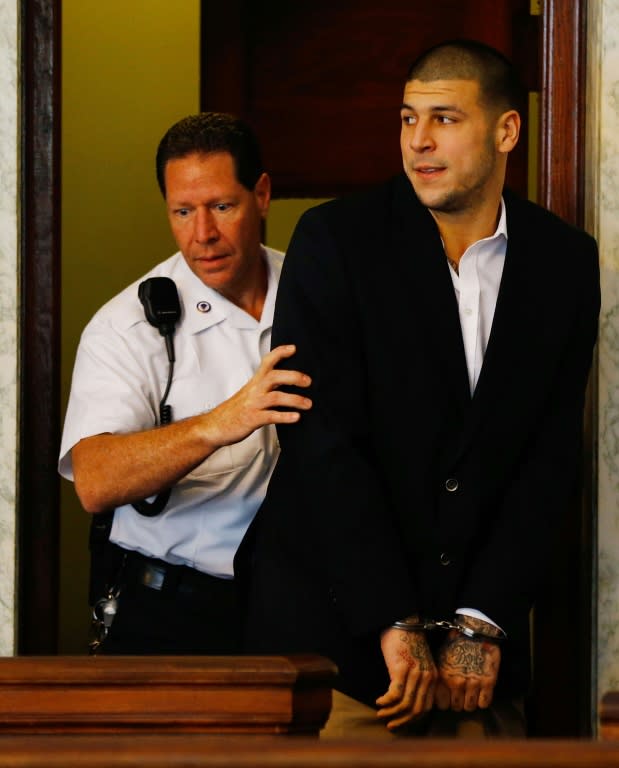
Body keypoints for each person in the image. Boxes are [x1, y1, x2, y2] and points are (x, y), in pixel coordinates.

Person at [237, 39, 600, 738]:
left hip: (477, 662)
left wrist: (482, 622)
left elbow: (547, 456)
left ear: (505, 131)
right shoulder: (334, 239)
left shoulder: (563, 261)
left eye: (444, 118)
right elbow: (321, 441)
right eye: (406, 119)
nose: (418, 143)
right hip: (334, 649)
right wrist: (389, 618)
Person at [58, 112, 312, 654]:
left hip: (309, 605)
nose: (203, 235)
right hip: (175, 611)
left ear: (261, 195)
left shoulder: (318, 292)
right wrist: (221, 423)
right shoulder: (123, 325)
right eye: (182, 211)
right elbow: (95, 481)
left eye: (222, 206)